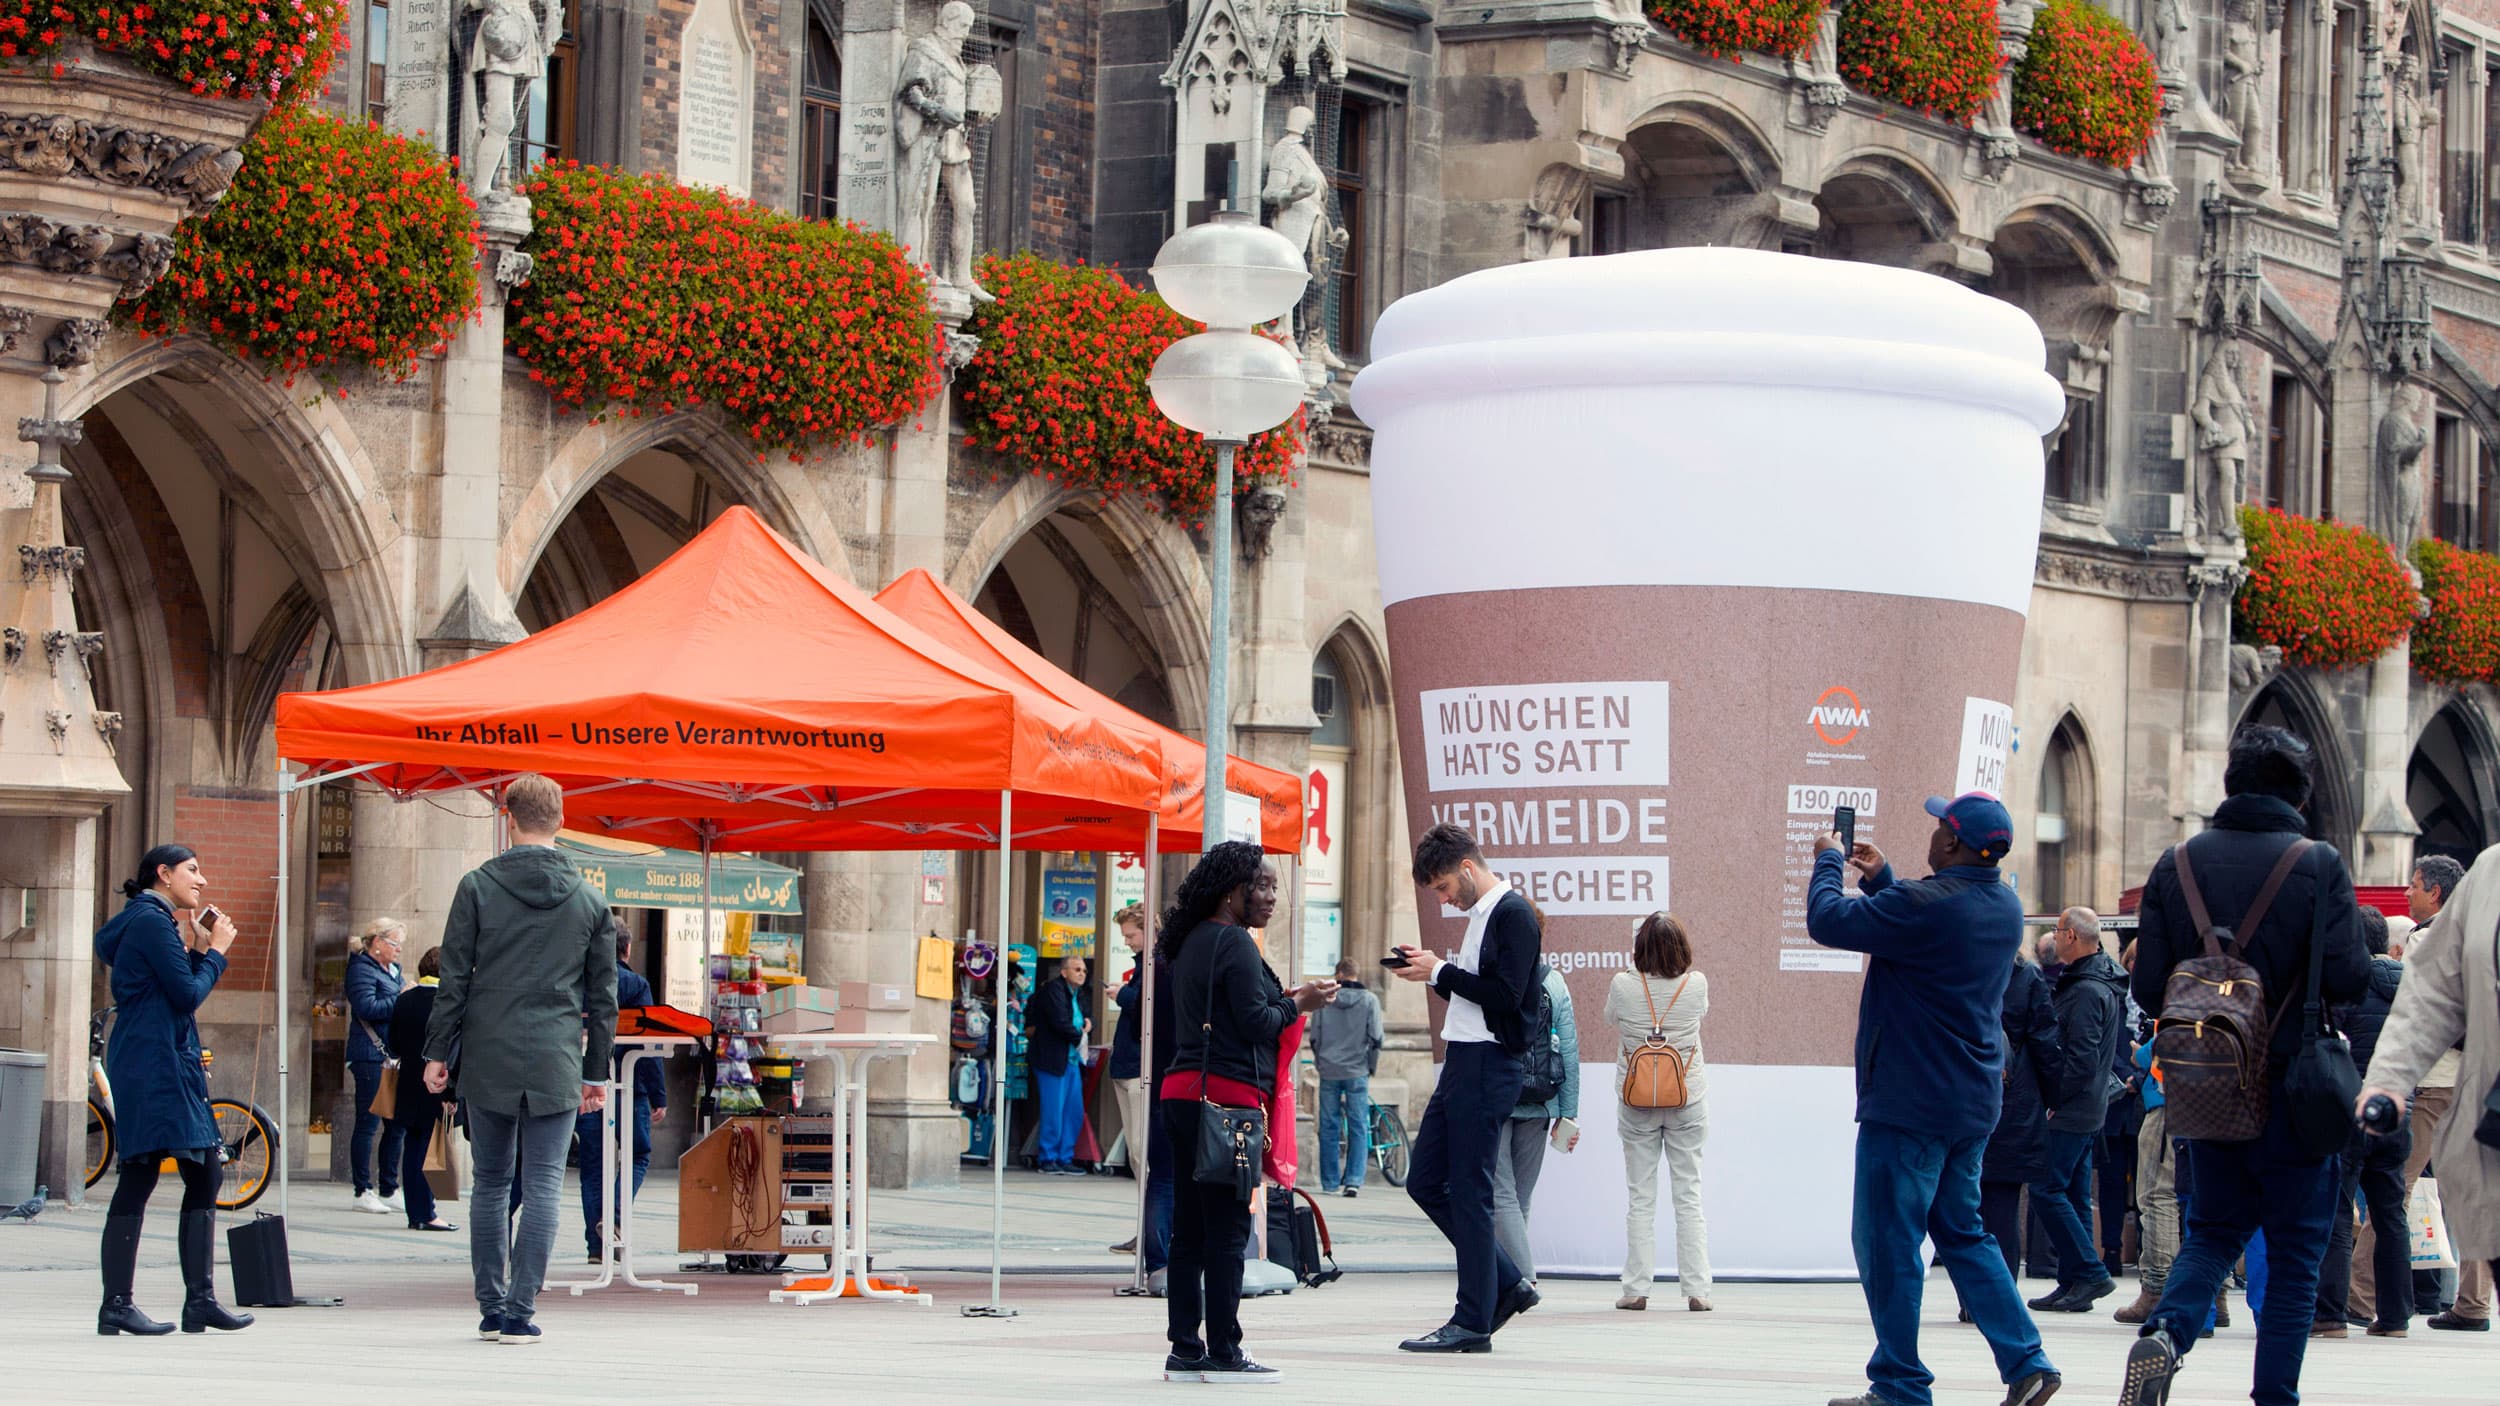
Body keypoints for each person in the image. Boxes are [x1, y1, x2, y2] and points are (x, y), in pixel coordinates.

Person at [2117, 725, 2369, 1406]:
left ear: (2230, 785)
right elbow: (2350, 975)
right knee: (2293, 1255)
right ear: (2300, 795)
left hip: (2207, 1085)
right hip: (2294, 1089)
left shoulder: (2177, 863)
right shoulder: (2317, 863)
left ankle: (2167, 1334)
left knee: (2212, 1231)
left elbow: (2150, 988)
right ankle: (2274, 1398)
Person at [1808, 792, 2060, 1406]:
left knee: (1888, 1242)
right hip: (1970, 1102)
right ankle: (2027, 1361)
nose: (1931, 832)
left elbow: (1827, 921)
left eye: (1938, 825)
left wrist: (1828, 860)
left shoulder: (1925, 906)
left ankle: (1899, 1385)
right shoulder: (2004, 906)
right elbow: (1929, 926)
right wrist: (1884, 881)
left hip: (1910, 1101)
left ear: (1950, 842)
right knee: (1963, 1232)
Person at [422, 772, 618, 1345]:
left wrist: (438, 1051)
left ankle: (490, 1306)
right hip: (557, 1057)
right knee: (545, 1184)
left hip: (489, 1053)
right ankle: (520, 1310)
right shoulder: (589, 899)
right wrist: (596, 1071)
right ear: (561, 821)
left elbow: (453, 979)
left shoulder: (477, 886)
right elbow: (603, 998)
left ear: (508, 819)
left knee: (490, 1183)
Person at [1157, 841, 1336, 1384]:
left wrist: (1284, 1000)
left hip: (1182, 1094)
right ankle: (1226, 1351)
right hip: (1227, 1103)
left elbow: (1238, 1013)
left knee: (1189, 1229)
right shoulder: (1234, 941)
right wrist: (1298, 1004)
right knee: (1229, 1232)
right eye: (1261, 885)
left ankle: (1185, 1349)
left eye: (1274, 886)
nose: (1271, 897)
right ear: (1231, 891)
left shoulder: (1190, 940)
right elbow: (1257, 1023)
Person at [1386, 824, 1543, 1354]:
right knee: (1425, 1181)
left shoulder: (1513, 914)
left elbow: (1507, 995)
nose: (1443, 898)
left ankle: (1472, 1320)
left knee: (1471, 1191)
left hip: (1487, 1064)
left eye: (1444, 886)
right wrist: (1433, 972)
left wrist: (1441, 971)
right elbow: (1479, 994)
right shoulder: (1483, 916)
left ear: (1468, 869)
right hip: (1464, 1061)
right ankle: (1508, 1283)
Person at [92, 844, 255, 1337]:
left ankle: (191, 1302)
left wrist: (198, 951)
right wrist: (218, 953)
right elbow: (186, 995)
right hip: (155, 1060)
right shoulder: (151, 920)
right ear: (163, 874)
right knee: (151, 1172)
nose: (201, 880)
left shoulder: (147, 920)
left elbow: (169, 987)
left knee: (196, 1170)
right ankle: (125, 1304)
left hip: (153, 1056)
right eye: (192, 870)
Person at [2360, 843, 2500, 1348]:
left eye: (2414, 886)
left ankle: (2359, 1292)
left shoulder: (2430, 938)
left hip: (2435, 1082)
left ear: (2436, 892)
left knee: (2391, 1188)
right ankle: (2473, 1302)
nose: (2407, 893)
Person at [1608, 912, 1713, 1312]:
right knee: (1689, 1194)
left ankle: (1636, 1288)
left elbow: (1610, 1018)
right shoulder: (1696, 983)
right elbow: (1701, 1014)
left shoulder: (1622, 984)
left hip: (1636, 1101)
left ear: (1639, 948)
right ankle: (1698, 1290)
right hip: (1687, 1098)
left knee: (1640, 1196)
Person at [2313, 906, 2410, 1338]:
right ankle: (2395, 1318)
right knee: (2390, 1214)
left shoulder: (2343, 984)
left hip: (2350, 1110)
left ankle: (2331, 1314)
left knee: (2337, 1210)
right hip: (2396, 1109)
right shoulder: (2410, 987)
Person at [2027, 907, 2128, 1313]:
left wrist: (2055, 1100)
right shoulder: (2097, 979)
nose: (2054, 936)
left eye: (2057, 929)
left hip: (2073, 1109)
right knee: (2072, 1193)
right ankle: (2075, 1284)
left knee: (2045, 1188)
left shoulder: (2087, 989)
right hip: (2088, 1107)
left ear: (2070, 936)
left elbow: (2081, 1059)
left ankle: (2089, 1272)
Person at [580, 917, 667, 1262]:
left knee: (592, 1164)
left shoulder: (580, 982)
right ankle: (614, 1217)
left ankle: (596, 1247)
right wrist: (658, 1094)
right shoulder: (636, 984)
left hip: (588, 1084)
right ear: (627, 949)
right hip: (630, 1087)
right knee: (637, 1155)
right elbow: (648, 1044)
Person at [1492, 955, 1579, 1285]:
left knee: (1501, 1192)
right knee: (1519, 1195)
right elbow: (1567, 1050)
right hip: (1540, 1098)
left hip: (1498, 1094)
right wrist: (1567, 1111)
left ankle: (1521, 1278)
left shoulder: (1493, 977)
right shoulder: (1553, 981)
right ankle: (1512, 1276)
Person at [1979, 942, 2059, 1296]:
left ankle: (1972, 1296)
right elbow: (2045, 1043)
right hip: (2015, 1104)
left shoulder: (1960, 966)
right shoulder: (2026, 976)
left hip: (1966, 1100)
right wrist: (2053, 1097)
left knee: (1967, 1209)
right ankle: (2001, 1297)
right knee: (2002, 1208)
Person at [2116, 943, 2179, 1326]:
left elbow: (2160, 1048)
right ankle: (2214, 1294)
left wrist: (2141, 1053)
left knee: (2157, 1196)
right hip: (2209, 1108)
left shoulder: (2175, 993)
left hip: (2167, 1106)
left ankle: (2157, 1289)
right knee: (2197, 1203)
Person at [389, 945, 459, 1233]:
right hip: (437, 1085)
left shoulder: (405, 999)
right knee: (430, 1152)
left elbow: (393, 1044)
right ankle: (426, 1213)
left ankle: (416, 1212)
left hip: (408, 1083)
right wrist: (453, 1093)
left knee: (413, 1147)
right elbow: (455, 1049)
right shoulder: (449, 1002)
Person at [346, 916, 409, 1215]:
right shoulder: (360, 968)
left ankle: (389, 1187)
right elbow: (367, 1007)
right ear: (378, 943)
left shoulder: (392, 970)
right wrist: (401, 997)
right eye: (395, 943)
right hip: (370, 1055)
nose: (399, 949)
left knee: (396, 1125)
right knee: (368, 1124)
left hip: (392, 1056)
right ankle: (362, 1190)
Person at [1308, 957, 1384, 1198]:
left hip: (1329, 1070)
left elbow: (1314, 1037)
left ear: (1339, 974)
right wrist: (1370, 1066)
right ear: (1356, 974)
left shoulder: (1325, 1001)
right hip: (1357, 1070)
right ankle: (1353, 1181)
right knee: (1358, 1125)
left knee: (1328, 1125)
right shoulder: (1370, 1000)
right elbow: (1376, 1037)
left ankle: (1330, 1182)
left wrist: (1321, 1062)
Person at [1108, 903, 1149, 1254]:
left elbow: (1148, 1006)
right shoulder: (1140, 967)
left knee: (1141, 1151)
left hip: (1139, 1068)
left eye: (1131, 935)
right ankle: (1148, 1226)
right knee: (1136, 1155)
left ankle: (1153, 1227)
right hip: (1126, 1065)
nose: (1127, 942)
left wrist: (1122, 994)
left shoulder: (1155, 965)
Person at [1030, 953, 1090, 1175]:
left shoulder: (1079, 993)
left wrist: (1089, 1024)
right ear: (1064, 972)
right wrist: (1080, 1036)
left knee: (1073, 1111)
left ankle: (1065, 1157)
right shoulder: (1053, 990)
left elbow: (1085, 1016)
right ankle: (1048, 1158)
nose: (1082, 974)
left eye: (1084, 970)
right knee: (1053, 1111)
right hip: (1052, 1059)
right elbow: (1059, 1022)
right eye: (1077, 969)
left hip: (1072, 1060)